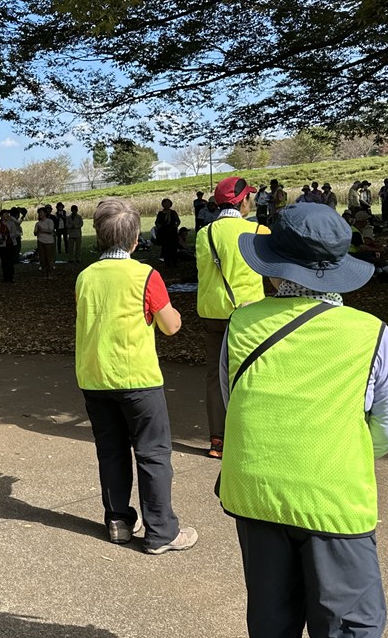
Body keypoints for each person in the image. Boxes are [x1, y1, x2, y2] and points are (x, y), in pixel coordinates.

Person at [220, 203, 388, 638]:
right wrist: (344, 449)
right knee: (349, 631)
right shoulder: (371, 333)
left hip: (257, 493)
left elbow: (234, 401)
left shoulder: (240, 324)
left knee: (272, 623)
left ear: (275, 269)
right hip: (333, 499)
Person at [75, 198, 198, 555]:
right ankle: (161, 531)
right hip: (137, 378)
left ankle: (118, 520)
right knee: (153, 453)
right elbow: (170, 326)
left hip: (95, 376)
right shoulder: (145, 275)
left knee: (111, 452)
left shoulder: (85, 277)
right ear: (135, 239)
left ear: (99, 236)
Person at [195, 177, 268, 459]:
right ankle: (248, 437)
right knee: (249, 373)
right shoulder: (259, 231)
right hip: (248, 314)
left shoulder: (205, 234)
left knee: (215, 376)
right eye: (249, 197)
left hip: (212, 312)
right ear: (242, 201)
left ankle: (218, 440)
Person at [154, 198, 180, 266]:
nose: (166, 205)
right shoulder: (160, 213)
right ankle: (167, 262)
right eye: (165, 203)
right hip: (164, 232)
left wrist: (176, 226)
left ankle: (174, 262)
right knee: (165, 247)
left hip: (172, 231)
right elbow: (157, 222)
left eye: (168, 203)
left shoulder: (173, 212)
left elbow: (178, 221)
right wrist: (159, 227)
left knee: (173, 246)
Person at [34, 206, 57, 277]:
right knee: (42, 258)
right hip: (40, 241)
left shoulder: (49, 221)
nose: (40, 214)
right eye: (39, 213)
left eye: (41, 212)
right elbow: (35, 233)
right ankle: (44, 272)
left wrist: (42, 230)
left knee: (49, 258)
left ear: (45, 213)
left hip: (49, 242)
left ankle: (50, 273)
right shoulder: (38, 223)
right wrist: (36, 231)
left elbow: (51, 231)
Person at [0, 209, 16, 283]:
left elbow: (14, 233)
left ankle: (11, 276)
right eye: (5, 214)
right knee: (4, 261)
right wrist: (2, 237)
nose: (7, 215)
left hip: (10, 244)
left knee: (10, 260)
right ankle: (5, 277)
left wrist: (6, 236)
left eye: (8, 214)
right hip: (2, 245)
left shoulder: (12, 224)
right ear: (1, 216)